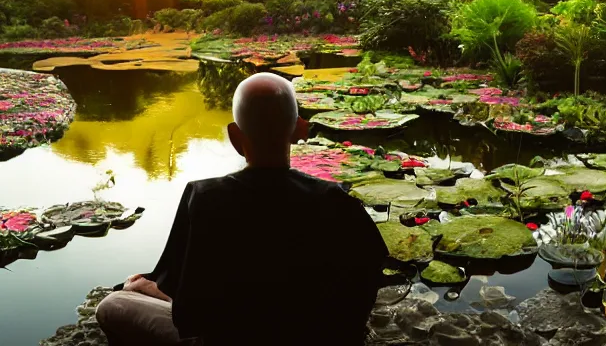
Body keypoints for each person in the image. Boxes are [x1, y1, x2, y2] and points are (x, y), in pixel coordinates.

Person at [96, 73, 388, 346]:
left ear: (235, 137)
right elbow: (369, 271)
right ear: (300, 129)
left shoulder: (204, 197)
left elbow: (189, 315)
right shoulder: (335, 200)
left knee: (112, 305)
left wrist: (147, 287)